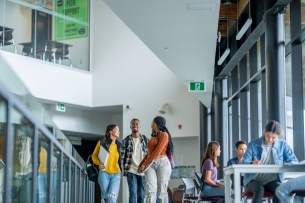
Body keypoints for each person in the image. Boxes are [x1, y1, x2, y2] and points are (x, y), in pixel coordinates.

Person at [242, 120, 298, 203]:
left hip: (273, 181)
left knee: (280, 189)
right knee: (259, 188)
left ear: (278, 136)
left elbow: (294, 161)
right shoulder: (253, 144)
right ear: (264, 132)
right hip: (253, 180)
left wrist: (288, 164)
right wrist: (251, 163)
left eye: (273, 137)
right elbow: (244, 163)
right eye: (268, 136)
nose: (270, 139)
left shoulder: (283, 145)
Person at [138, 116, 174, 203]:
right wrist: (141, 164)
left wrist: (144, 164)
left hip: (163, 163)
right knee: (150, 190)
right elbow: (148, 153)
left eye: (152, 123)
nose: (150, 126)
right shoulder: (152, 137)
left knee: (162, 190)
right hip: (151, 164)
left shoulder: (164, 135)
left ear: (156, 124)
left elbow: (157, 151)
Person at [92, 125, 122, 203]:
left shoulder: (120, 145)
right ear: (110, 131)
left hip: (116, 174)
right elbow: (94, 156)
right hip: (104, 173)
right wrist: (99, 163)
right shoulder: (102, 142)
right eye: (117, 129)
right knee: (105, 197)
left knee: (112, 196)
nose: (119, 131)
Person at [121, 118, 149, 203]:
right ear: (130, 126)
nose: (135, 126)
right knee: (133, 194)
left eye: (137, 124)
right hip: (131, 170)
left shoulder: (145, 139)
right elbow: (121, 157)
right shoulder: (126, 141)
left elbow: (150, 155)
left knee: (141, 195)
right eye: (133, 124)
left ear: (140, 126)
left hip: (143, 171)